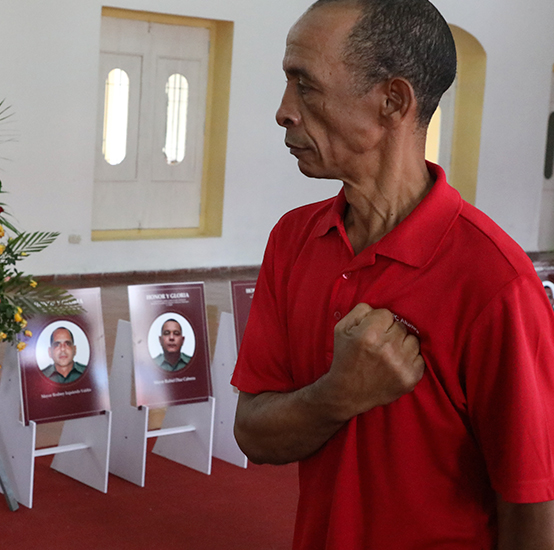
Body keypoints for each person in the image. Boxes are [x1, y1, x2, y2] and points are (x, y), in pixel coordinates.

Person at [231, 1, 554, 548]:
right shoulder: (294, 239)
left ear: (392, 101)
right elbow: (254, 434)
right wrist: (338, 394)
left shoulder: (495, 281)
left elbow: (531, 505)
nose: (284, 111)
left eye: (304, 85)